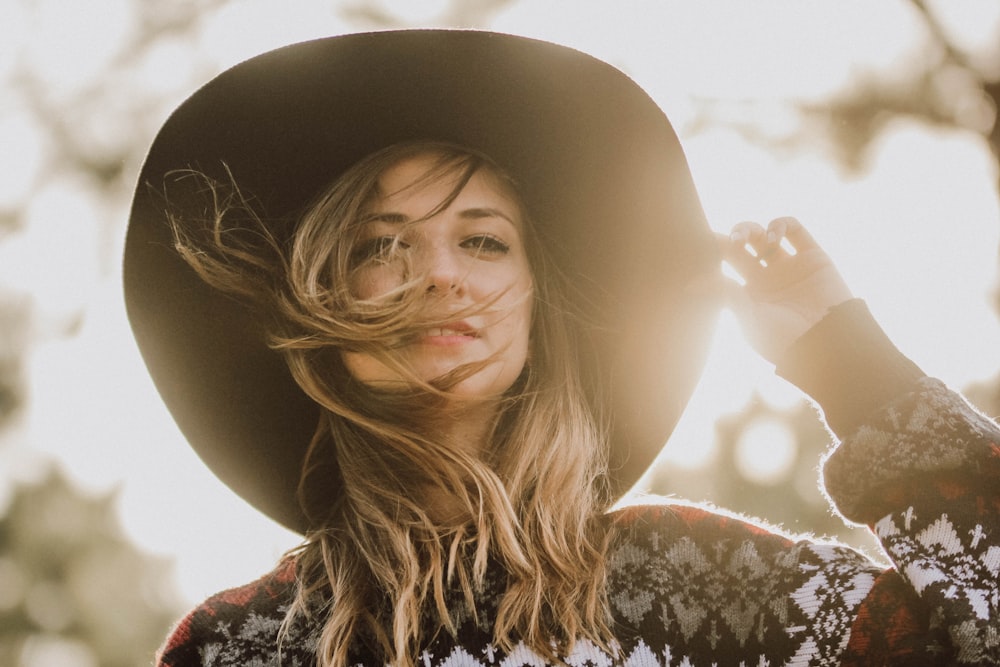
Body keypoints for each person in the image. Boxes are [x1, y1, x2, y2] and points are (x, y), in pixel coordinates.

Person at [125, 31, 999, 666]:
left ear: (542, 305)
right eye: (377, 246)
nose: (439, 275)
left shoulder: (706, 586)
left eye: (483, 241)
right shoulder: (235, 646)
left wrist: (854, 369)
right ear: (321, 298)